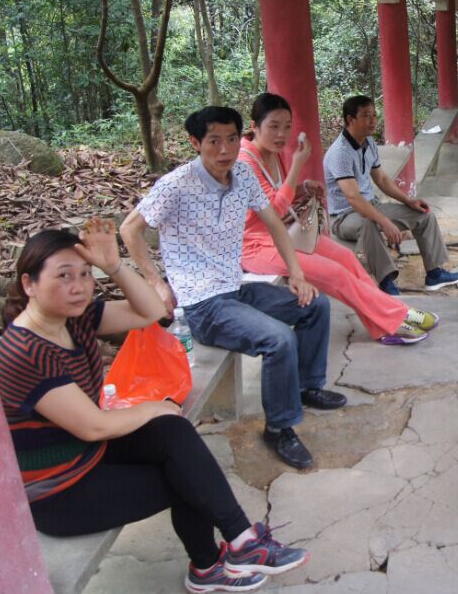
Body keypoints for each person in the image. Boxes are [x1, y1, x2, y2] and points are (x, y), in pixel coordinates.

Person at [0, 222, 309, 593]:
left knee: (175, 436)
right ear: (29, 284)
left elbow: (151, 311)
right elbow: (92, 426)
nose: (78, 286)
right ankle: (209, 566)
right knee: (183, 474)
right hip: (59, 490)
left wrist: (113, 266)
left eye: (84, 274)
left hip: (89, 454)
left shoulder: (73, 319)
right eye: (63, 276)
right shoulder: (24, 351)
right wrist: (154, 408)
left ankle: (240, 542)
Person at [121, 106, 344, 471]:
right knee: (277, 339)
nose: (224, 149)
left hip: (235, 287)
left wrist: (296, 274)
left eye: (230, 139)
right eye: (213, 141)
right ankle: (280, 428)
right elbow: (129, 229)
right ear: (196, 143)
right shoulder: (176, 185)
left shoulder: (241, 172)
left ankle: (308, 386)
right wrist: (155, 283)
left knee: (313, 305)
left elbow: (273, 222)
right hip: (203, 305)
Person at [238, 93, 437, 346]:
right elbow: (275, 209)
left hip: (284, 235)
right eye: (273, 127)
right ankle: (397, 317)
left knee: (346, 259)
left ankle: (384, 323)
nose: (281, 135)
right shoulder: (245, 161)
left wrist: (304, 187)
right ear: (255, 126)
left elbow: (276, 195)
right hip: (256, 246)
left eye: (287, 127)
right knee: (335, 274)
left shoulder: (271, 151)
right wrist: (298, 165)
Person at [325, 95, 458, 296]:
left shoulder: (368, 143)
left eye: (374, 115)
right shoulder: (340, 152)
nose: (373, 121)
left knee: (423, 214)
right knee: (368, 225)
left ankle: (434, 273)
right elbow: (353, 198)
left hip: (370, 205)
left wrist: (409, 200)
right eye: (366, 116)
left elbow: (381, 179)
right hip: (343, 216)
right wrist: (384, 221)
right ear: (350, 119)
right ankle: (386, 281)